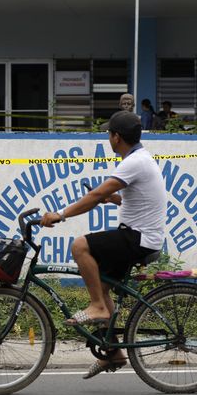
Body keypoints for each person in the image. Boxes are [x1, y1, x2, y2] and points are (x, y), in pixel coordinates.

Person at [40, 110, 167, 379]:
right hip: (139, 236)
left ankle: (97, 307)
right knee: (103, 284)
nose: (109, 138)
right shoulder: (140, 158)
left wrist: (60, 215)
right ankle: (114, 353)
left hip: (138, 238)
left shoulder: (134, 162)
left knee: (79, 246)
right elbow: (133, 198)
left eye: (109, 133)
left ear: (116, 137)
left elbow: (97, 193)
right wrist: (115, 199)